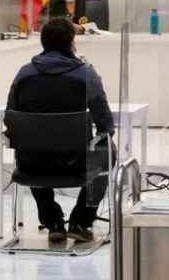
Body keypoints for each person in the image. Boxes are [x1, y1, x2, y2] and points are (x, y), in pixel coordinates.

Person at [6, 18, 114, 243]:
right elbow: (105, 124)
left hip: (31, 165)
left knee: (31, 144)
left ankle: (52, 221)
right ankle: (81, 222)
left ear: (43, 43)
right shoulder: (85, 74)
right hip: (75, 164)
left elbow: (11, 119)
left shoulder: (23, 75)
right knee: (108, 149)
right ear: (72, 43)